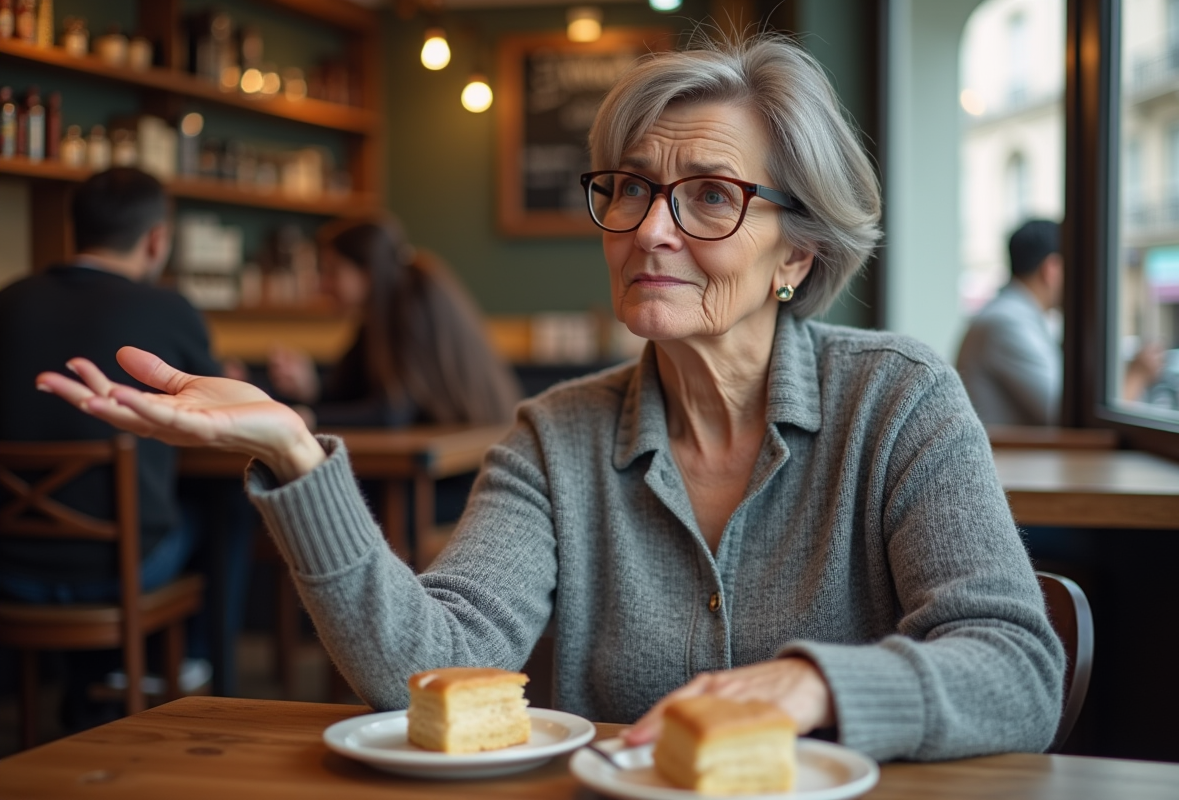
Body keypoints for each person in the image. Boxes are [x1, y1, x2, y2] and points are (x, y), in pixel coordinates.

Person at [37, 35, 1064, 762]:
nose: (649, 227)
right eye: (626, 187)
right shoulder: (553, 435)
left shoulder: (898, 399)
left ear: (797, 250)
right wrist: (295, 454)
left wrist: (819, 684)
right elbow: (426, 674)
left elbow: (1017, 667)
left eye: (708, 194)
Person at [0, 167, 250, 725]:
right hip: (120, 570)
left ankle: (96, 679)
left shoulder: (9, 300)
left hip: (9, 566)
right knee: (226, 505)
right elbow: (221, 410)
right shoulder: (168, 309)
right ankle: (205, 670)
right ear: (157, 239)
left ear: (73, 229)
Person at [267, 219, 521, 428]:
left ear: (366, 272)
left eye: (333, 270)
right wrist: (312, 388)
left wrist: (309, 417)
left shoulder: (411, 308)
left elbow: (392, 412)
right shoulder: (374, 323)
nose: (322, 284)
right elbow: (352, 396)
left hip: (461, 470)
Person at [955, 219, 1064, 425]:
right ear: (1052, 269)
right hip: (1006, 456)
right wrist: (1136, 375)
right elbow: (1063, 415)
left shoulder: (1010, 314)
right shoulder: (1007, 323)